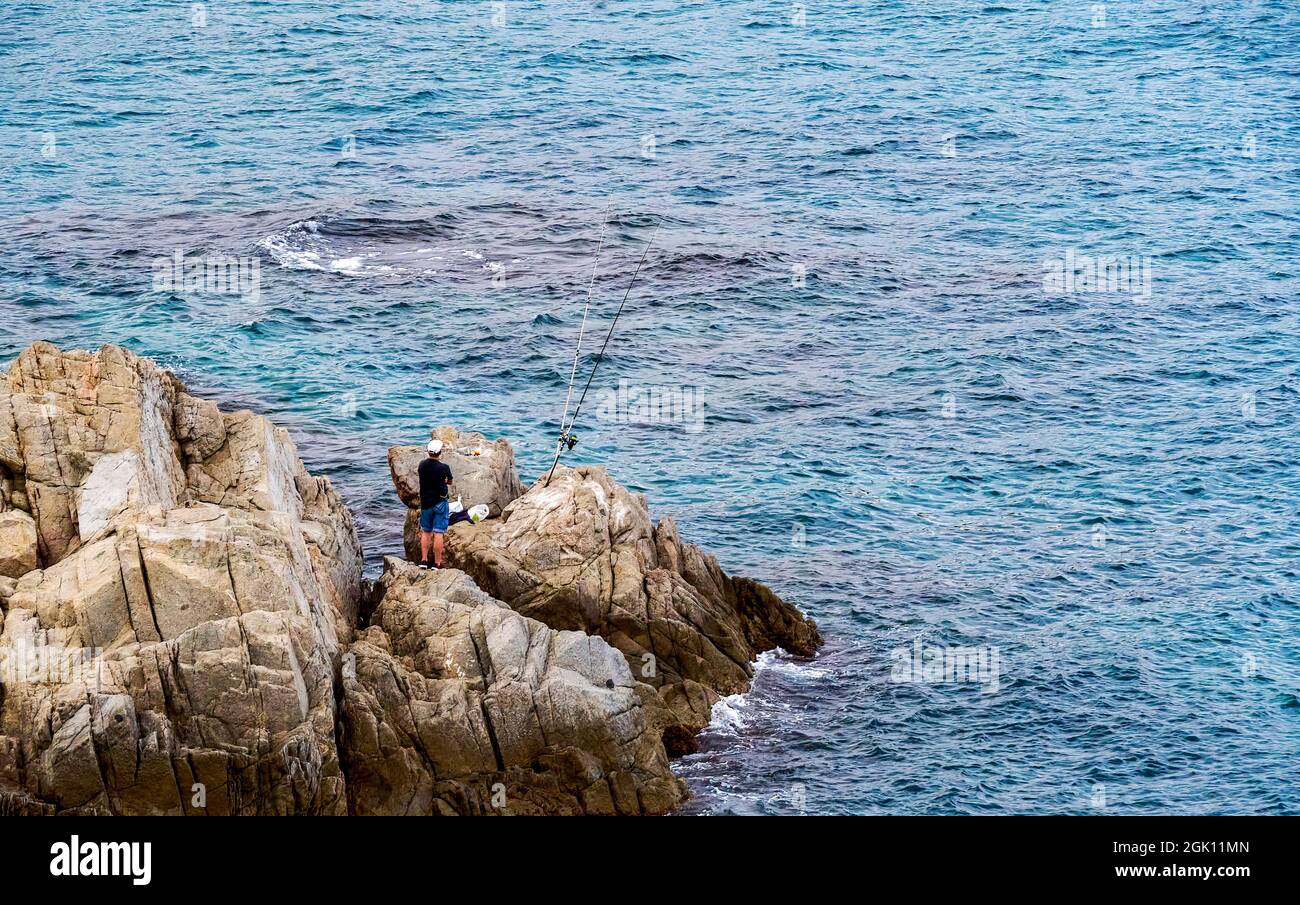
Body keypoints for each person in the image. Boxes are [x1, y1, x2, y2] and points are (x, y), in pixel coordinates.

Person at [417, 439, 454, 569]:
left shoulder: (422, 465)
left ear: (428, 451)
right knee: (438, 532)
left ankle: (424, 560)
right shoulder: (444, 467)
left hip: (425, 503)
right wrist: (443, 481)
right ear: (440, 452)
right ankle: (437, 563)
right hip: (440, 502)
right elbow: (449, 482)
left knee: (426, 532)